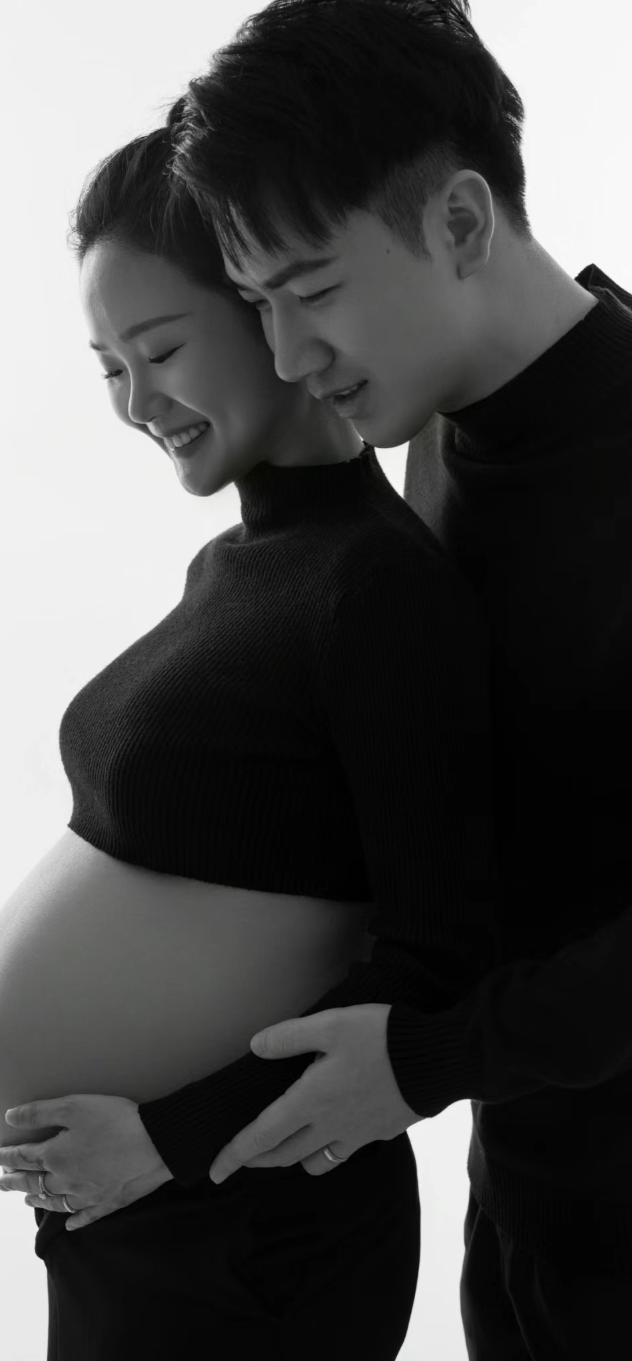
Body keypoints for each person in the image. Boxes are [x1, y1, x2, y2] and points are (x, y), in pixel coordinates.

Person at [125, 0, 630, 1356]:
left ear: (459, 222)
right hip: (529, 1218)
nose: (289, 356)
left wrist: (424, 1058)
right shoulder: (440, 433)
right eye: (258, 305)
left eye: (313, 290)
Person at [0, 115, 501, 1358]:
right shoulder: (237, 565)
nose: (135, 400)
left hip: (253, 1226)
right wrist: (3, 1050)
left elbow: (439, 966)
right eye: (107, 366)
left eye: (158, 349)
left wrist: (165, 1135)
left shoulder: (378, 587)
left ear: (265, 307)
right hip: (139, 1214)